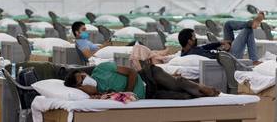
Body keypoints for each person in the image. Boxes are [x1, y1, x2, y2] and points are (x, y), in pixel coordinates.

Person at [64, 62, 220, 100]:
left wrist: (128, 91)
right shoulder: (100, 95)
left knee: (175, 83)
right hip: (149, 94)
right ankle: (201, 91)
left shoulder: (101, 69)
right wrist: (92, 92)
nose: (86, 80)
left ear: (85, 72)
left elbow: (131, 71)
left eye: (83, 76)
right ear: (79, 88)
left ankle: (204, 87)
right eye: (81, 83)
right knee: (184, 97)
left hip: (147, 75)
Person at [178, 12, 265, 65]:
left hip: (225, 52)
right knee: (247, 30)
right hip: (230, 58)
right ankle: (254, 60)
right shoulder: (193, 52)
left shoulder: (189, 50)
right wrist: (223, 50)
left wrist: (221, 43)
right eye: (194, 37)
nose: (195, 38)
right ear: (189, 41)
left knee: (227, 25)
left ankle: (251, 23)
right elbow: (214, 57)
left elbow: (206, 47)